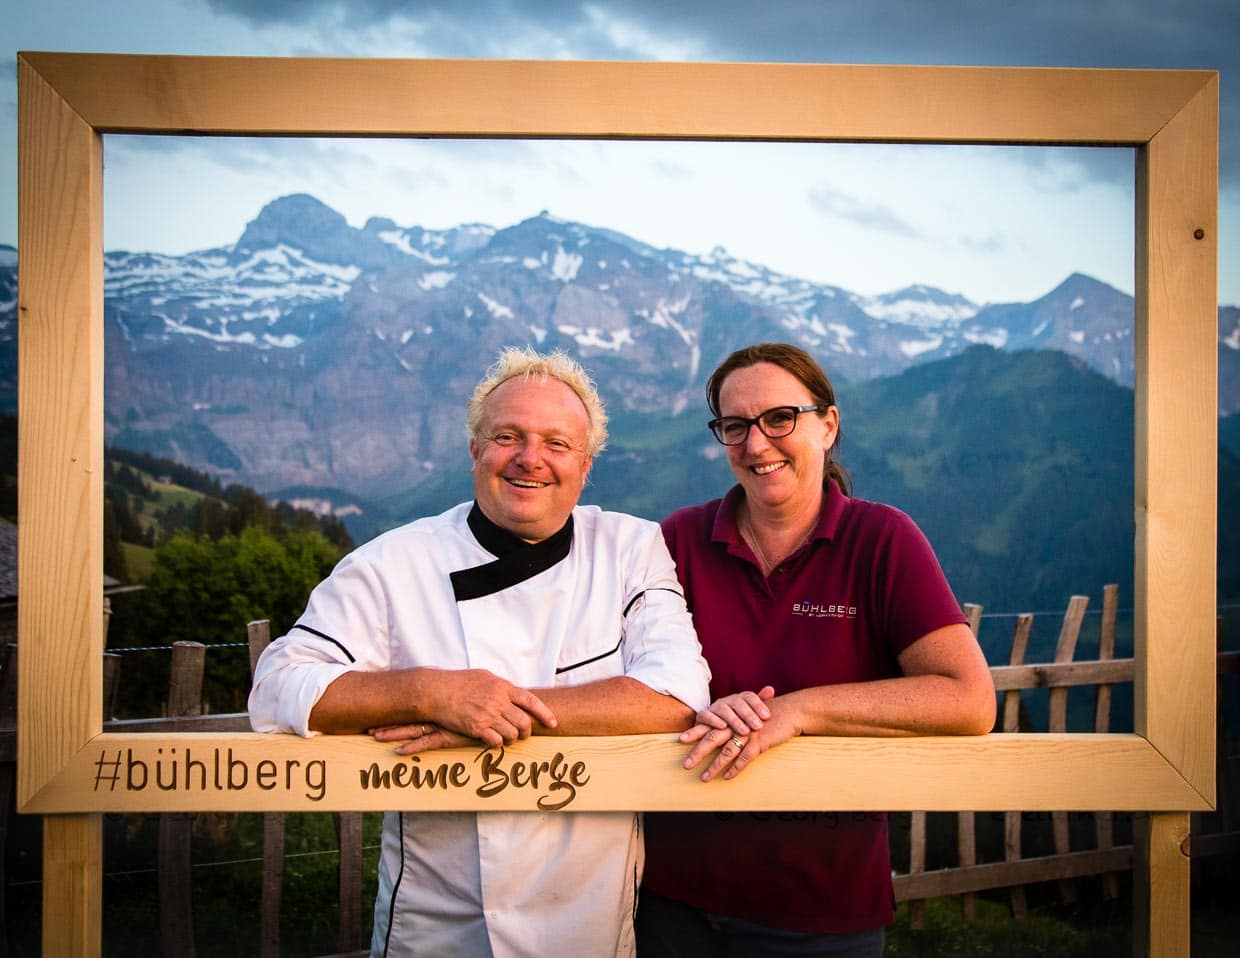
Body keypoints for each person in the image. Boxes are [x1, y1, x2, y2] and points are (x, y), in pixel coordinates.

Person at [249, 346, 711, 958]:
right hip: (435, 920)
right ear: (474, 449)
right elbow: (277, 685)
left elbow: (677, 696)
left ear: (586, 464)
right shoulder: (392, 563)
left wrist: (497, 711)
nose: (530, 459)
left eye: (557, 443)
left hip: (589, 921)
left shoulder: (629, 548)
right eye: (507, 436)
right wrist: (431, 692)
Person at [637, 342, 996, 957]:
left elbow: (968, 700)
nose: (756, 444)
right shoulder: (680, 540)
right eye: (735, 426)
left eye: (780, 418)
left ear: (828, 426)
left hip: (821, 910)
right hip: (673, 899)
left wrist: (797, 713)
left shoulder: (882, 540)